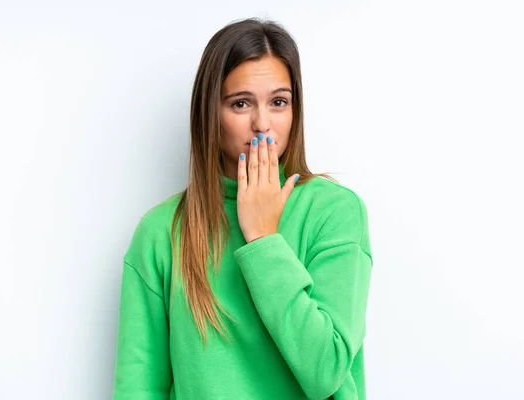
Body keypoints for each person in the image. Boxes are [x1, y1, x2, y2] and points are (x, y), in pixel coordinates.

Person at [112, 17, 374, 400]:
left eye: (278, 102)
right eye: (240, 104)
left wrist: (264, 239)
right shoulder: (160, 232)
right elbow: (139, 388)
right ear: (210, 114)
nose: (262, 124)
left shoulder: (334, 211)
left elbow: (326, 372)